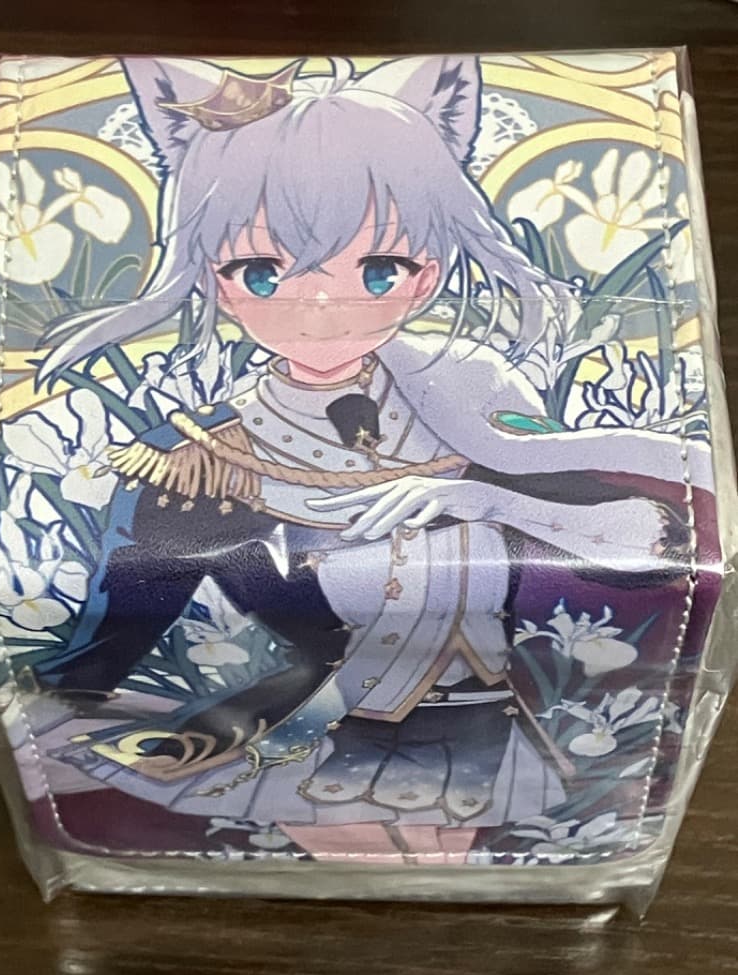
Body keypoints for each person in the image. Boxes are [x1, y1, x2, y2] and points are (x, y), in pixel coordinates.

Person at [34, 55, 702, 862]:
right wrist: (49, 710)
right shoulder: (208, 457)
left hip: (484, 726)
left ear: (427, 277)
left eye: (379, 269)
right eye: (263, 271)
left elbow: (648, 545)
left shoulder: (469, 400)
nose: (321, 307)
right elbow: (126, 617)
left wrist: (489, 499)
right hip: (316, 727)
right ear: (216, 281)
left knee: (450, 887)